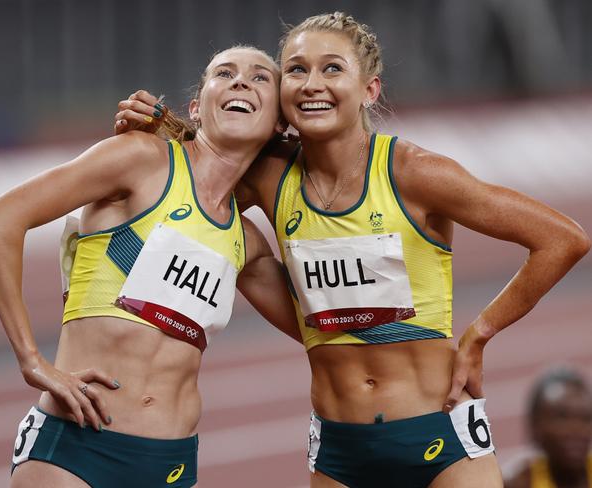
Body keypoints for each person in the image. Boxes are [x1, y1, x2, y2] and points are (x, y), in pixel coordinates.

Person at [116, 11, 591, 488]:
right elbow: (192, 181)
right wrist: (158, 126)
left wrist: (480, 333)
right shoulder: (271, 176)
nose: (311, 84)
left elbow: (563, 239)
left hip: (441, 436)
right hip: (340, 450)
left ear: (370, 90)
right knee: (237, 243)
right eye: (297, 69)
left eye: (332, 69)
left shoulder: (415, 173)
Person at [0, 45, 301, 488]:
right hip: (76, 449)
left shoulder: (245, 241)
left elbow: (318, 328)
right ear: (196, 107)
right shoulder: (140, 159)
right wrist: (31, 360)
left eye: (260, 77)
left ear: (279, 122)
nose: (240, 80)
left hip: (170, 463)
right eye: (224, 73)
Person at [505, 367, 592, 488]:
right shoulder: (518, 483)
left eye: (585, 417)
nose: (576, 429)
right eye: (562, 417)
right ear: (535, 425)